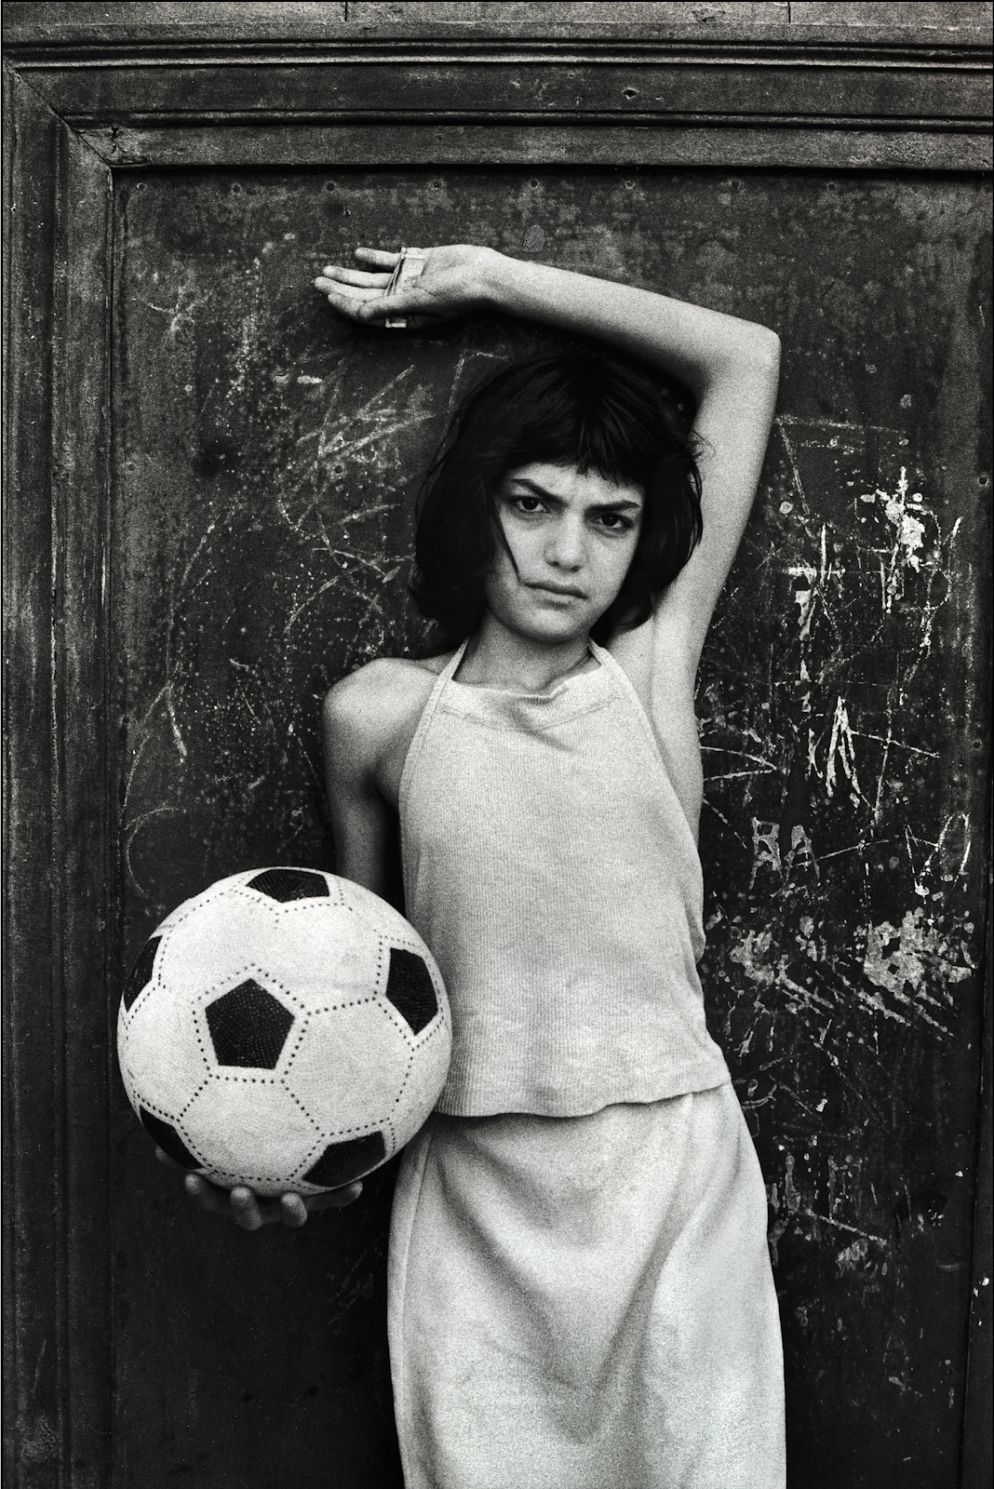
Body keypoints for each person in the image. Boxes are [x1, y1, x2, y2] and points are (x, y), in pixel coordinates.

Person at [183, 242, 786, 1488]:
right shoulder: (380, 719)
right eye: (534, 503)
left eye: (608, 518)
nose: (570, 550)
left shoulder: (650, 673)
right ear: (479, 507)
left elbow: (745, 357)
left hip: (672, 1184)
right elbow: (355, 1009)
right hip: (472, 1206)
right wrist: (280, 1159)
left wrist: (492, 278)